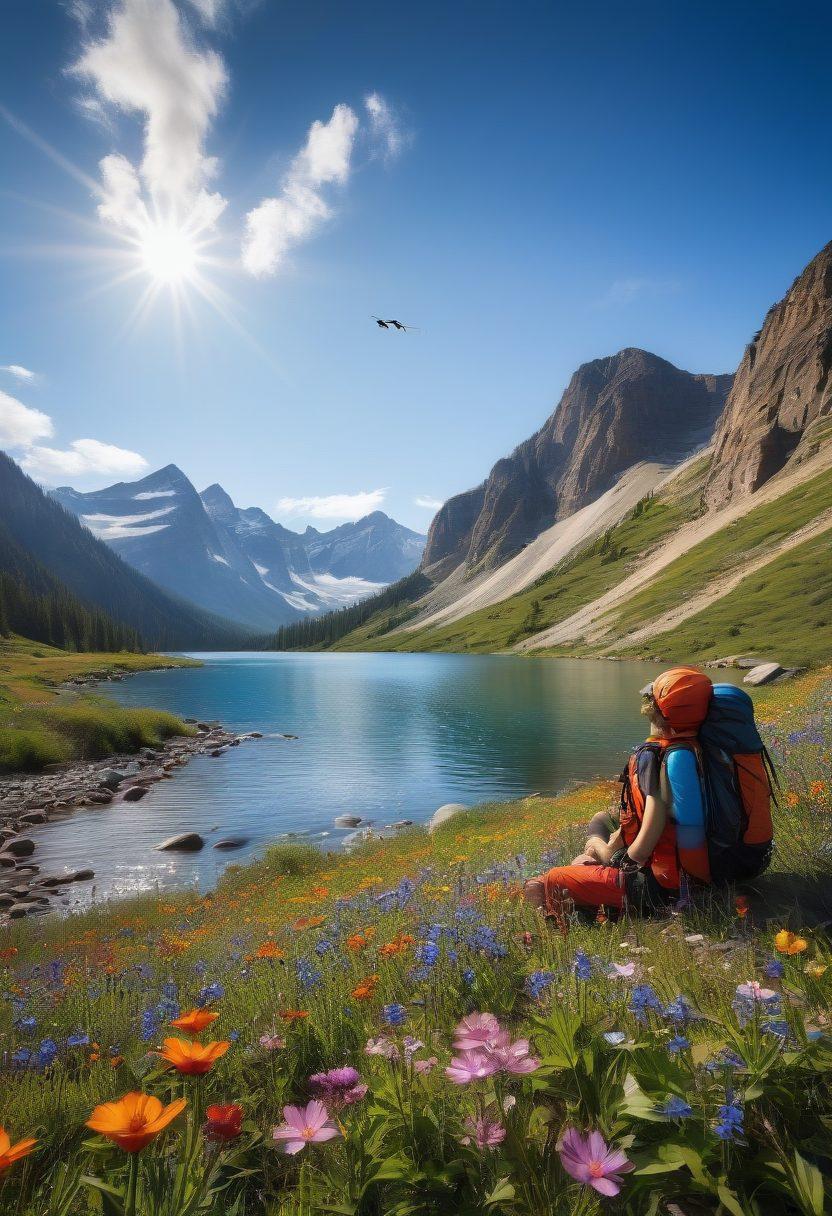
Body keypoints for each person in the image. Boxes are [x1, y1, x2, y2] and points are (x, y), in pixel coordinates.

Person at [523, 667, 713, 921]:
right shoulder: (700, 745)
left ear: (656, 711)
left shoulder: (662, 763)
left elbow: (638, 856)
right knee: (601, 818)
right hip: (701, 865)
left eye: (650, 700)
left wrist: (601, 849)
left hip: (660, 887)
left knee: (549, 880)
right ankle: (587, 891)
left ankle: (566, 927)